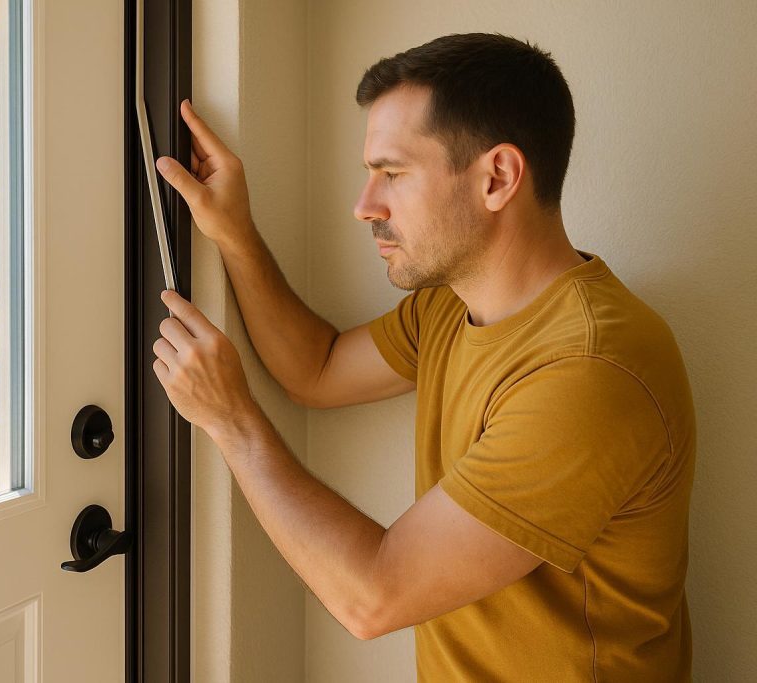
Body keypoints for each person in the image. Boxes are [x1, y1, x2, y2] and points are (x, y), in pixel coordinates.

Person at [150, 32, 695, 681]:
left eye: (394, 174)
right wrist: (234, 232)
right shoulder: (447, 305)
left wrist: (231, 419)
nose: (364, 206)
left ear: (497, 177)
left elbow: (374, 594)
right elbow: (316, 368)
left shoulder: (589, 369)